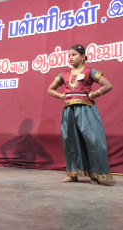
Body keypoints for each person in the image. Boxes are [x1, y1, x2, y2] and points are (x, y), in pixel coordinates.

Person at [47, 44, 113, 184]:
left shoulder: (90, 71)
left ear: (83, 57)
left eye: (74, 54)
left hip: (86, 110)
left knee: (92, 140)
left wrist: (94, 94)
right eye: (69, 55)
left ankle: (95, 174)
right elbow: (50, 89)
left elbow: (108, 85)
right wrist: (61, 96)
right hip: (69, 111)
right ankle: (73, 174)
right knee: (70, 141)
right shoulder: (64, 74)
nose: (70, 57)